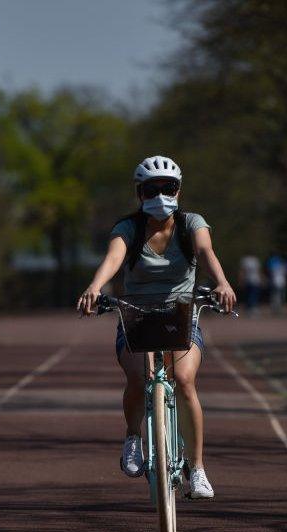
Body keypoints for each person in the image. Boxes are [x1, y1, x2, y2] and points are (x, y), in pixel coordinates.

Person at [77, 155, 236, 500]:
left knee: (183, 381)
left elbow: (206, 251)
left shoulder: (191, 223)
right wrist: (95, 286)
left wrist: (222, 282)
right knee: (137, 376)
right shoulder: (128, 229)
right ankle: (134, 438)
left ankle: (198, 469)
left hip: (181, 314)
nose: (161, 194)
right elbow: (114, 258)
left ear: (179, 190)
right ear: (140, 193)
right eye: (152, 188)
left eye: (169, 187)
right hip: (135, 314)